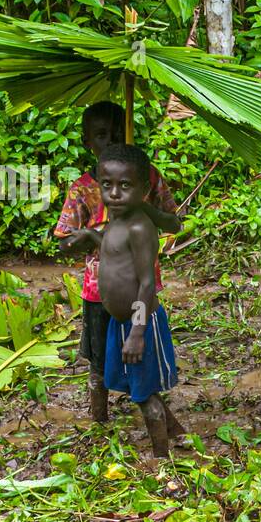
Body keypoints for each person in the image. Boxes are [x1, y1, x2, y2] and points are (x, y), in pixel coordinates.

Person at [53, 101, 182, 422]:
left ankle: (160, 422)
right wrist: (84, 237)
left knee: (141, 359)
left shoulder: (148, 178)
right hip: (99, 292)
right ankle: (100, 421)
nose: (109, 140)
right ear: (87, 142)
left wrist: (146, 210)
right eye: (100, 135)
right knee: (99, 363)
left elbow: (173, 221)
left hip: (140, 289)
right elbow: (62, 242)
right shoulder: (83, 189)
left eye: (116, 132)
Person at [94, 143, 184, 458]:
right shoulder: (116, 220)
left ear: (144, 188)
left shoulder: (138, 226)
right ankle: (176, 433)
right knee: (140, 386)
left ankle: (161, 459)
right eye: (107, 185)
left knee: (145, 397)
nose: (115, 193)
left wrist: (136, 332)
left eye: (125, 186)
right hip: (121, 322)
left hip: (138, 322)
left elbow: (147, 284)